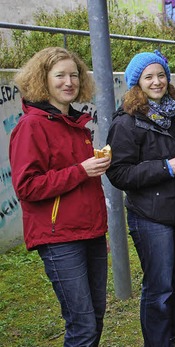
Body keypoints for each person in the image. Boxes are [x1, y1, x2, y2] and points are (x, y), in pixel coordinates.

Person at [9, 47, 109, 347]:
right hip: (59, 239)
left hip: (90, 232)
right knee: (82, 326)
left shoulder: (77, 125)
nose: (69, 82)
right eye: (60, 76)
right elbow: (26, 187)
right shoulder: (31, 126)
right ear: (43, 79)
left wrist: (91, 168)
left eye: (74, 75)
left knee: (96, 318)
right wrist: (81, 170)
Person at [106, 50, 175, 347]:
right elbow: (119, 173)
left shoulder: (174, 113)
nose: (157, 81)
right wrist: (165, 168)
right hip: (149, 215)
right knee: (158, 286)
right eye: (148, 76)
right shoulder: (126, 123)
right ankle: (158, 342)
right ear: (137, 83)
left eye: (160, 75)